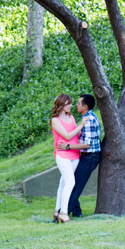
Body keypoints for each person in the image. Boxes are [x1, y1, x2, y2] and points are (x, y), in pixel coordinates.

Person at [57, 94, 102, 218]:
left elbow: (87, 144)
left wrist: (68, 147)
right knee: (72, 182)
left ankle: (63, 213)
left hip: (90, 157)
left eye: (78, 103)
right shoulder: (86, 118)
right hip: (86, 156)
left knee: (75, 186)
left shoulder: (89, 120)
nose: (76, 105)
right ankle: (76, 212)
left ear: (85, 106)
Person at [50, 93, 85, 223]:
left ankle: (57, 210)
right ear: (62, 104)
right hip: (62, 154)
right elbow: (68, 136)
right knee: (70, 182)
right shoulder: (55, 120)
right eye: (68, 103)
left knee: (64, 182)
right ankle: (64, 213)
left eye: (71, 103)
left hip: (74, 154)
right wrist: (80, 126)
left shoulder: (71, 118)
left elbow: (76, 133)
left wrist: (81, 130)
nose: (71, 105)